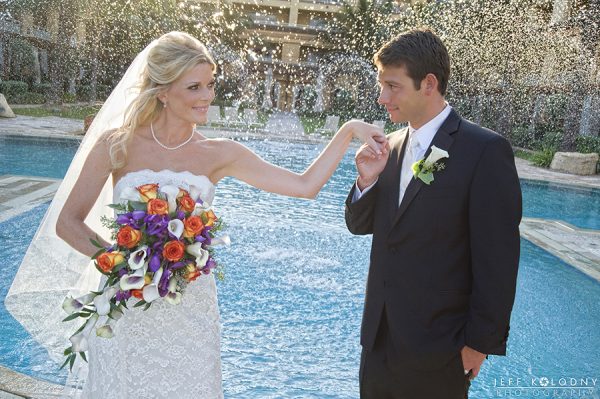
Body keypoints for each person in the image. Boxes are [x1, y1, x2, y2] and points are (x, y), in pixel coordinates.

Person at [6, 31, 386, 398]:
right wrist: (124, 266)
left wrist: (349, 131)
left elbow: (305, 186)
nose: (207, 97)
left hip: (189, 310)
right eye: (194, 87)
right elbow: (68, 222)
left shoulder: (220, 153)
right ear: (163, 91)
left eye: (210, 84)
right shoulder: (116, 144)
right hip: (127, 305)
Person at [345, 29, 522, 398]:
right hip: (378, 342)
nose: (382, 98)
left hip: (441, 348)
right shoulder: (389, 147)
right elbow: (359, 225)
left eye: (393, 86)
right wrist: (366, 181)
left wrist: (479, 343)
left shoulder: (484, 150)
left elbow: (498, 259)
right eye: (382, 85)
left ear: (428, 83)